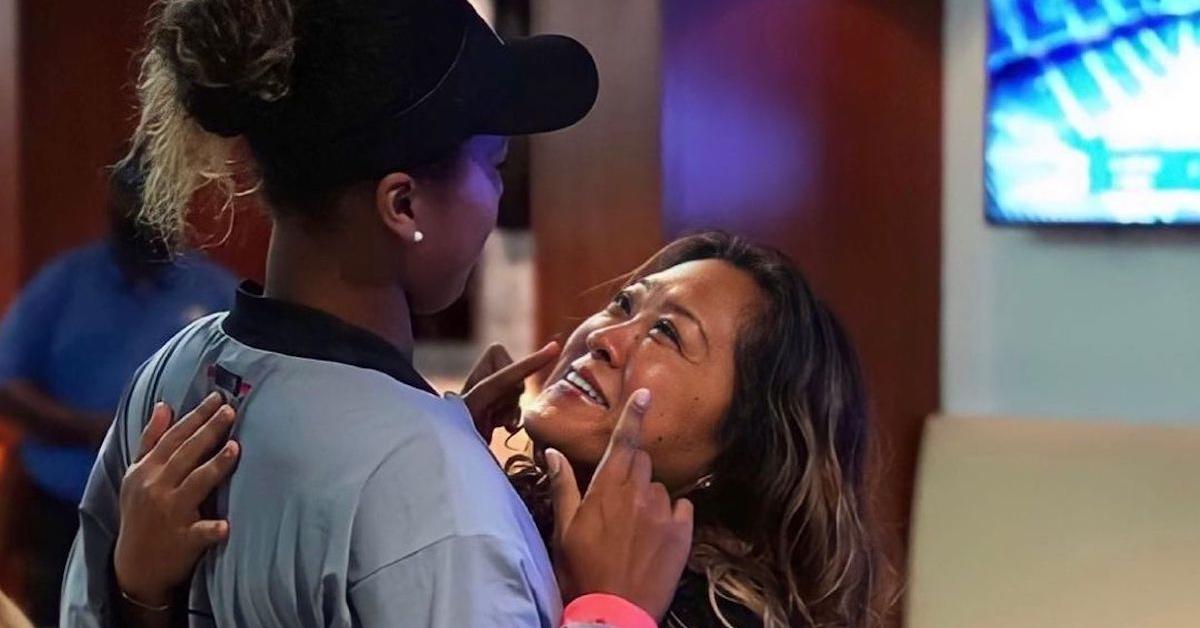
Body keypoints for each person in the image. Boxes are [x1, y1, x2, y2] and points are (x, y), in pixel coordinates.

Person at [61, 0, 692, 627]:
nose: (496, 194)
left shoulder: (173, 374)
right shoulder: (441, 506)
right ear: (404, 205)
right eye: (494, 166)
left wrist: (138, 595)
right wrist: (613, 612)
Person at [119, 232, 894, 627]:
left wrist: (610, 612)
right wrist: (146, 587)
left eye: (668, 335)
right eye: (626, 304)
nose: (605, 334)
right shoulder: (497, 506)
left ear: (742, 446)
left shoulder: (726, 615)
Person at [0, 158, 235, 625]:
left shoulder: (217, 294)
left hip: (177, 517)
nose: (138, 235)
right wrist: (95, 431)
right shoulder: (67, 281)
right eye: (127, 220)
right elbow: (6, 380)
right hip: (65, 510)